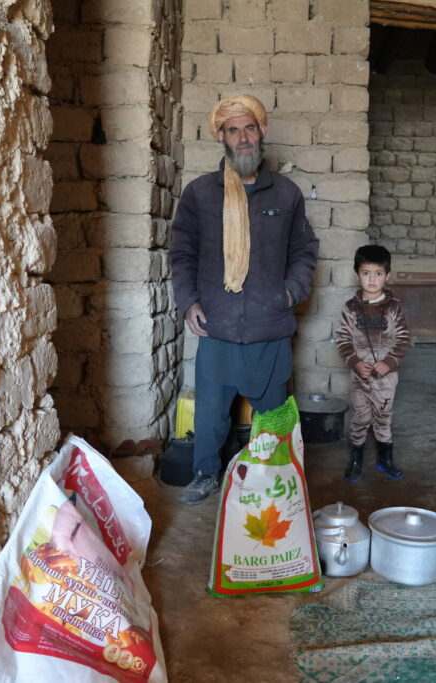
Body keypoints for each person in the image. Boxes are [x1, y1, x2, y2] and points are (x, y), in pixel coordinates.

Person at [169, 95, 319, 505]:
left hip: (269, 327)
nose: (242, 138)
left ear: (262, 131)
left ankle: (275, 477)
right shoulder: (199, 194)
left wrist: (290, 291)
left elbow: (305, 252)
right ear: (221, 136)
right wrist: (188, 302)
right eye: (233, 130)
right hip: (216, 325)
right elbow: (182, 254)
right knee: (211, 413)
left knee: (272, 416)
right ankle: (205, 474)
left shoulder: (286, 195)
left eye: (249, 128)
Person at [334, 245, 411, 482]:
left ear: (387, 275)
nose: (372, 279)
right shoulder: (350, 309)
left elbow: (404, 339)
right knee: (360, 418)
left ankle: (385, 460)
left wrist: (388, 362)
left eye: (378, 273)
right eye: (366, 273)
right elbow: (343, 340)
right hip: (360, 378)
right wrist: (356, 362)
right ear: (357, 274)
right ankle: (356, 460)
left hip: (386, 379)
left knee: (383, 417)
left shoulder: (393, 308)